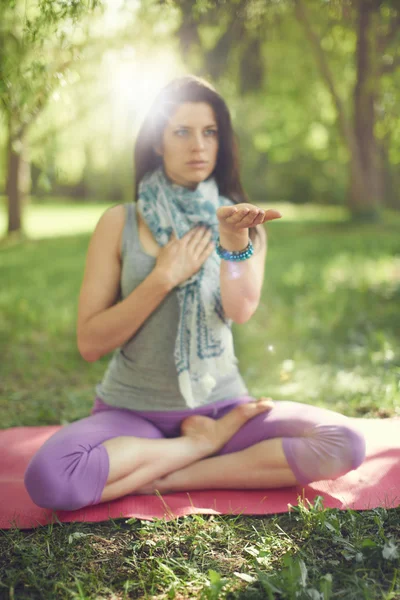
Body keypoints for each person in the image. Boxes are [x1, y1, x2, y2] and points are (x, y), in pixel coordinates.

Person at [24, 75, 366, 511]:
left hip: (223, 411)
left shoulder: (244, 223)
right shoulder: (119, 223)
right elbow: (90, 343)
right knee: (49, 478)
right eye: (181, 131)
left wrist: (232, 241)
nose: (198, 146)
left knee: (345, 442)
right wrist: (161, 278)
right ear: (156, 141)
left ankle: (173, 472)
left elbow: (239, 311)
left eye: (210, 132)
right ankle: (196, 448)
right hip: (132, 415)